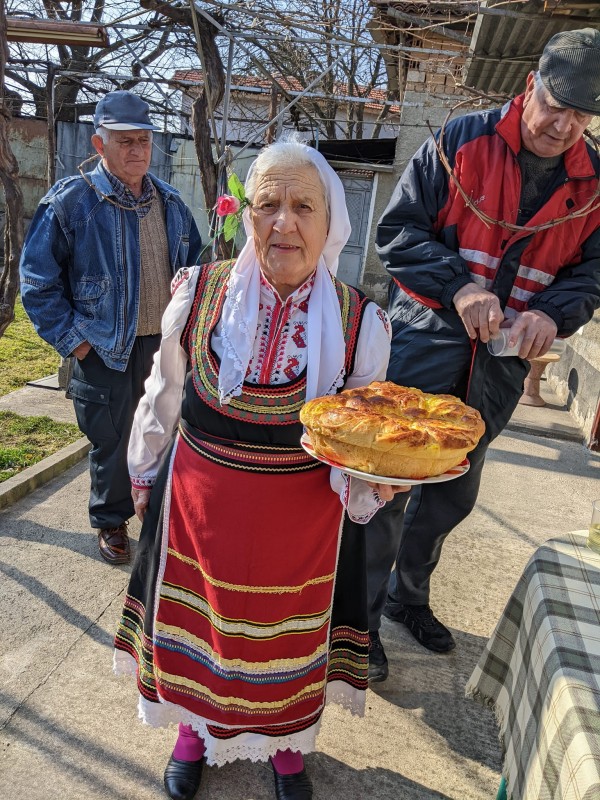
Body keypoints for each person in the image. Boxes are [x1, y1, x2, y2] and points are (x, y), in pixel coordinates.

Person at [112, 139, 407, 800]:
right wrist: (143, 471)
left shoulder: (362, 325)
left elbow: (364, 442)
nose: (283, 222)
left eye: (303, 206)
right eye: (267, 203)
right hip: (199, 513)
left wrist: (377, 483)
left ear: (330, 224)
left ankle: (286, 750)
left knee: (282, 649)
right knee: (202, 632)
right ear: (246, 215)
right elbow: (162, 392)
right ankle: (192, 734)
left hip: (300, 534)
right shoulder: (198, 292)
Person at [366, 27, 600, 682]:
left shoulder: (595, 182)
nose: (563, 125)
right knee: (386, 487)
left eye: (581, 115)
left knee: (452, 494)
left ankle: (405, 597)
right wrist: (460, 286)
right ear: (530, 86)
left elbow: (591, 274)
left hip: (498, 363)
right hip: (424, 336)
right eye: (555, 105)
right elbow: (398, 231)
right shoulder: (459, 141)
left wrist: (550, 315)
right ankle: (355, 625)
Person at [20, 90, 202, 566]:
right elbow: (37, 284)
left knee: (166, 431)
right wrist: (76, 344)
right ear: (100, 145)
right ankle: (111, 520)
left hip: (164, 345)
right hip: (104, 348)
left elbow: (195, 269)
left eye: (143, 140)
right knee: (114, 440)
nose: (137, 151)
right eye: (125, 141)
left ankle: (157, 514)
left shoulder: (172, 203)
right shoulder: (71, 203)